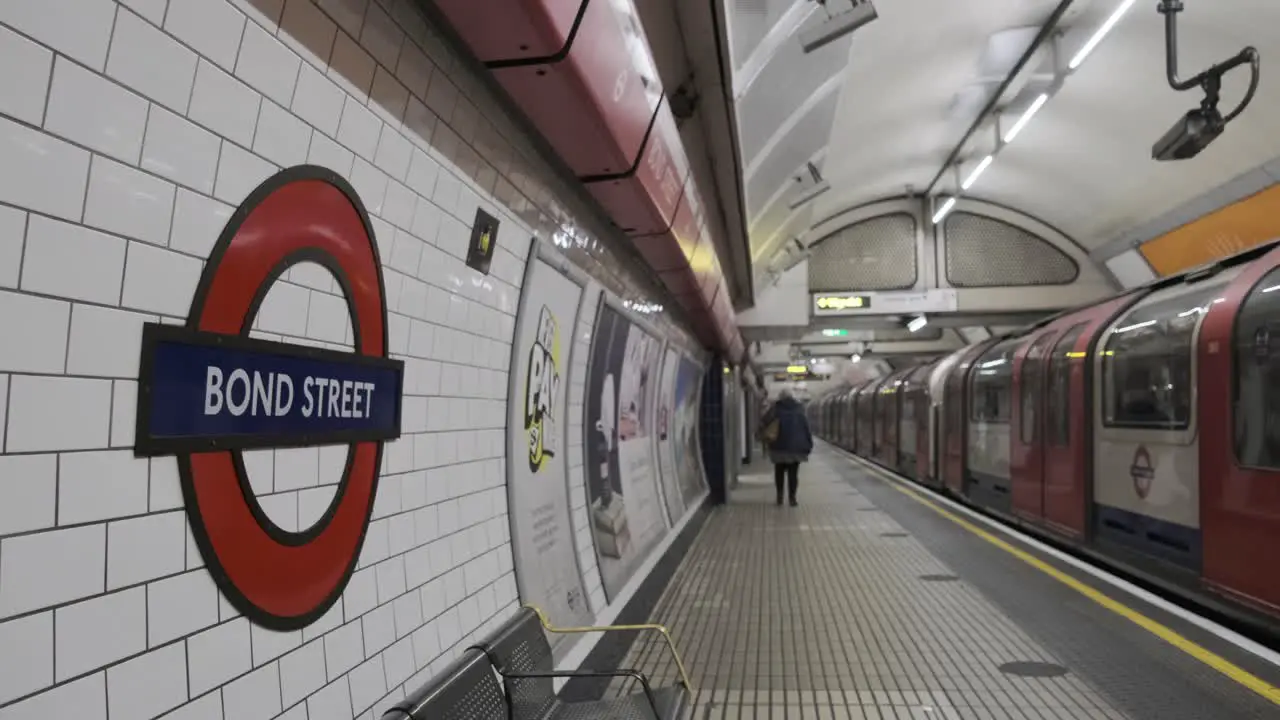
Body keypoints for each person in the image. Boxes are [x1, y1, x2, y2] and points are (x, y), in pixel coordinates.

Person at [760, 389, 813, 506]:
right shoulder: (800, 409)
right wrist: (809, 444)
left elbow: (764, 421)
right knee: (793, 474)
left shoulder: (775, 409)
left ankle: (779, 497)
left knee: (779, 472)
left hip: (779, 446)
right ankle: (792, 498)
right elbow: (806, 428)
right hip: (796, 447)